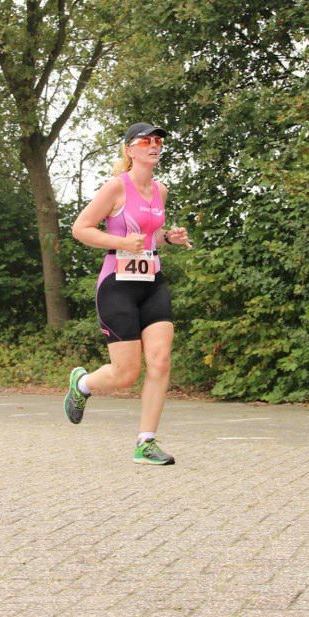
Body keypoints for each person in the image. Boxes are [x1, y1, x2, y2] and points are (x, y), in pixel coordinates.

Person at [63, 121, 191, 465]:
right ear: (129, 149)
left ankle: (145, 442)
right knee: (126, 374)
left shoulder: (160, 190)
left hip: (152, 282)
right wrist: (120, 241)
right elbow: (81, 228)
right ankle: (83, 384)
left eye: (158, 141)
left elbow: (152, 234)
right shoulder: (116, 187)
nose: (154, 145)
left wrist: (168, 238)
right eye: (146, 141)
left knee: (160, 360)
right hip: (117, 285)